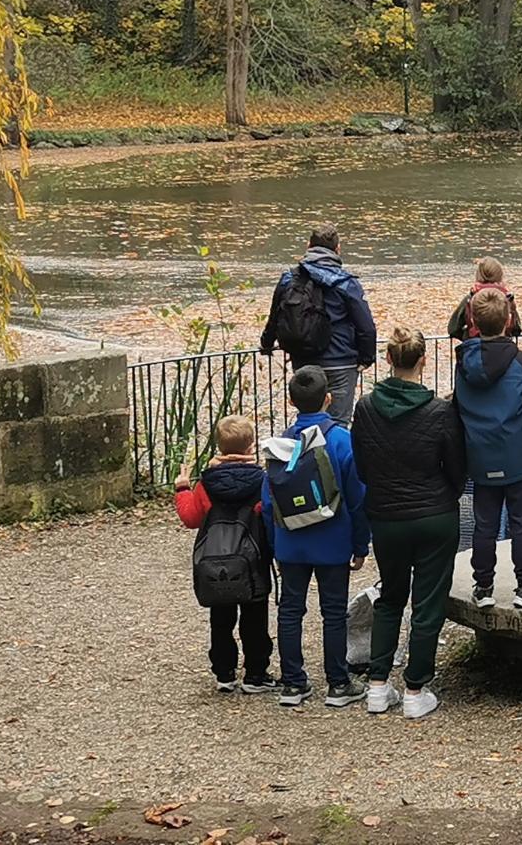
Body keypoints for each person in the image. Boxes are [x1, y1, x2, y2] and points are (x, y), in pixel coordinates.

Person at [349, 328, 464, 719]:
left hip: (386, 514)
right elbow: (457, 466)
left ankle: (378, 684)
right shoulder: (440, 411)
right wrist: (444, 494)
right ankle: (416, 687)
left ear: (388, 360)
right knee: (428, 601)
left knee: (390, 596)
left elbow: (362, 463)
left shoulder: (365, 408)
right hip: (434, 513)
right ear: (423, 360)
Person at [260, 366, 370, 708]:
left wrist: (274, 542)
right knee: (333, 612)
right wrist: (360, 544)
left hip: (291, 541)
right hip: (332, 539)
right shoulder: (340, 439)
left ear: (291, 400)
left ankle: (293, 683)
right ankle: (338, 683)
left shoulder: (282, 442)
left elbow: (267, 503)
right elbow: (358, 497)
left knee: (290, 609)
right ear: (329, 398)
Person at [455, 288, 522, 609]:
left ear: (472, 322)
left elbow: (457, 407)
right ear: (509, 320)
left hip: (481, 455)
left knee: (484, 524)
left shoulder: (462, 364)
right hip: (520, 454)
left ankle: (483, 586)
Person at [175, 415, 274, 695]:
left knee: (221, 617)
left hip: (216, 559)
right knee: (255, 617)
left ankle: (224, 672)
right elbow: (269, 517)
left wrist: (182, 489)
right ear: (251, 446)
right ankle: (255, 673)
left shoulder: (207, 485)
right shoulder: (261, 482)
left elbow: (191, 518)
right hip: (252, 558)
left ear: (219, 448)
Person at [260, 225, 378, 427]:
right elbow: (366, 326)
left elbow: (275, 317)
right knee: (338, 423)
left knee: (308, 422)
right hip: (341, 362)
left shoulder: (289, 279)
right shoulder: (346, 283)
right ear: (338, 249)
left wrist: (267, 344)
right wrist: (366, 358)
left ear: (308, 246)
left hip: (304, 359)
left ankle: (306, 457)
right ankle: (335, 457)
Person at [445, 255, 522, 340]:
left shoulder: (471, 297)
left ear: (478, 275)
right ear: (500, 275)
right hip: (504, 347)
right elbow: (516, 329)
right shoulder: (507, 298)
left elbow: (453, 329)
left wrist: (467, 336)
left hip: (475, 347)